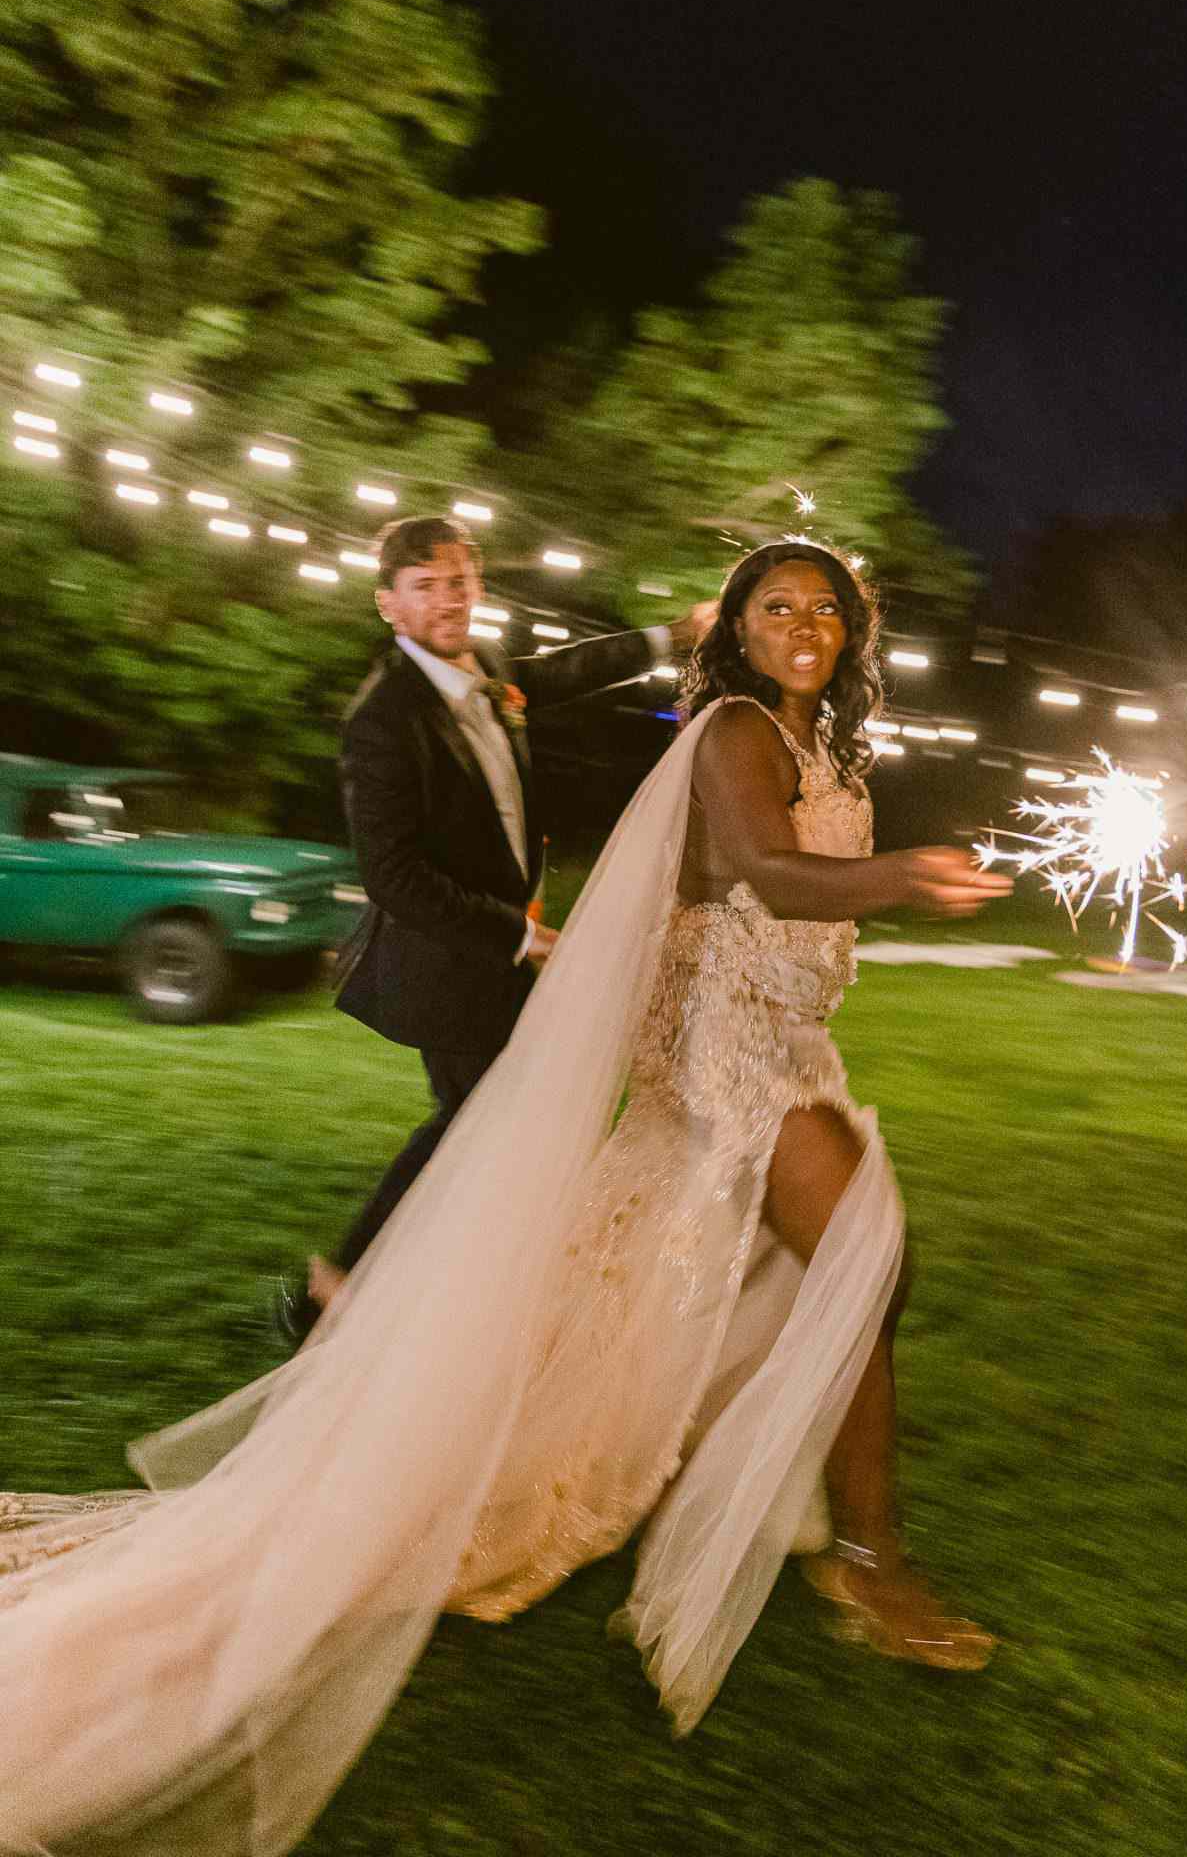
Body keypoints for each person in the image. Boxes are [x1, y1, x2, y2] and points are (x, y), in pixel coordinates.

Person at [0, 540, 1010, 1857]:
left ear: (855, 626)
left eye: (828, 605)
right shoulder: (736, 734)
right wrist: (899, 878)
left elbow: (727, 849)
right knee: (863, 1261)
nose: (806, 622)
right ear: (743, 632)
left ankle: (754, 1503)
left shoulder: (824, 743)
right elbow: (770, 871)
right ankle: (868, 1564)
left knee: (720, 1285)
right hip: (725, 1061)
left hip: (781, 1043)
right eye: (777, 605)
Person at [275, 511, 716, 1343]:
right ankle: (341, 1287)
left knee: (495, 1120)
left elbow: (570, 669)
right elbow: (394, 878)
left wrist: (675, 635)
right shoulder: (381, 721)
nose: (447, 601)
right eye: (426, 588)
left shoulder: (485, 668)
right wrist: (519, 935)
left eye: (458, 583)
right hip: (445, 962)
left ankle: (404, 1282)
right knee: (478, 1118)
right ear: (389, 606)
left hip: (499, 954)